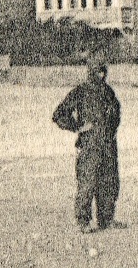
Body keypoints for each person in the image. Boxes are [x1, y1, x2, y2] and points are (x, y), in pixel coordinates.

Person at [52, 54, 124, 234]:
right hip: (89, 146)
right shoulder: (80, 91)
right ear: (91, 72)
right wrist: (78, 127)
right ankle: (83, 220)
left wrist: (111, 130)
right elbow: (59, 114)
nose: (101, 75)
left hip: (108, 144)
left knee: (109, 182)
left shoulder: (108, 91)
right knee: (87, 183)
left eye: (103, 71)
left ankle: (106, 219)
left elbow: (117, 113)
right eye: (97, 71)